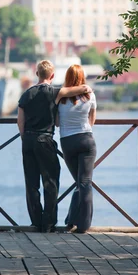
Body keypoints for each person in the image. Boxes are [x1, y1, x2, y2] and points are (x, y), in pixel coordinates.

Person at [17, 60, 91, 232]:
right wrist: (86, 89)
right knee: (50, 182)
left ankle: (36, 220)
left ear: (36, 74)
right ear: (52, 76)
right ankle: (48, 223)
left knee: (31, 183)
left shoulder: (25, 95)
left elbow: (20, 121)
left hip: (28, 140)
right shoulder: (55, 92)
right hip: (45, 140)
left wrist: (25, 139)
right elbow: (78, 90)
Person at [56, 64, 97, 233]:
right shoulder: (90, 95)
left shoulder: (60, 97)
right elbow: (92, 120)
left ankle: (71, 220)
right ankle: (83, 224)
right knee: (85, 183)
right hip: (86, 140)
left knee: (79, 183)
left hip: (67, 142)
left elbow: (57, 123)